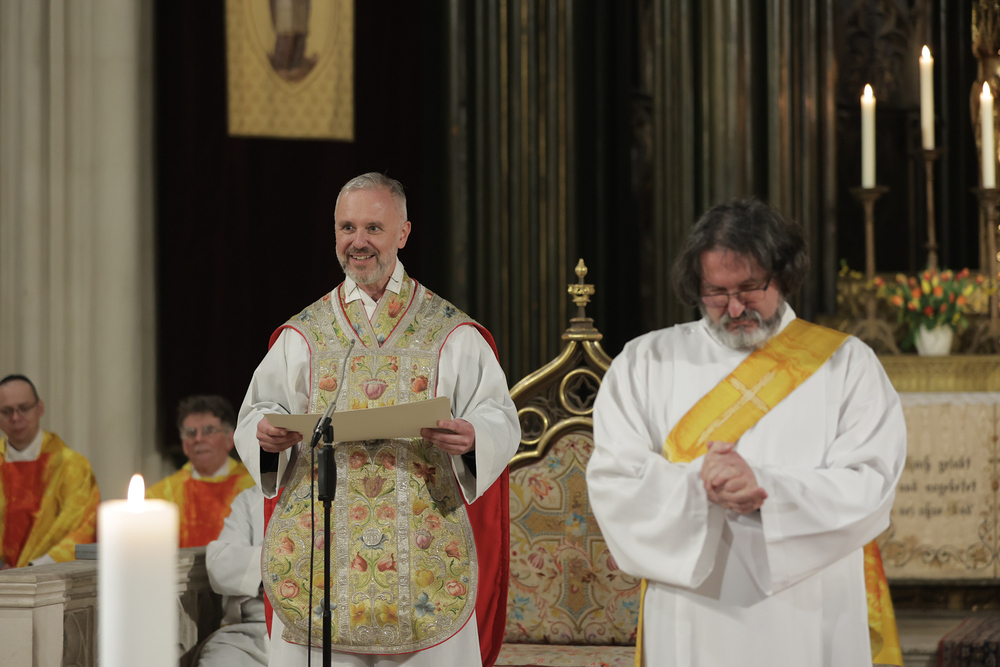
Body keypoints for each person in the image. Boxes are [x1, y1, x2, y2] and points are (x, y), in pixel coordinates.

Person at [586, 200, 907, 667]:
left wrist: (767, 491)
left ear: (783, 276)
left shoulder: (847, 364)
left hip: (812, 608)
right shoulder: (646, 362)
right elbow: (614, 481)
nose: (734, 307)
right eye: (715, 292)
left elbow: (872, 483)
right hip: (691, 611)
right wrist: (700, 486)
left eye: (750, 288)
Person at [235, 172, 520, 667]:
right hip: (320, 557)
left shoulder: (451, 334)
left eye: (373, 228)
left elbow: (499, 416)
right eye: (347, 228)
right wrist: (265, 434)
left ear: (403, 234)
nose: (358, 242)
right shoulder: (304, 336)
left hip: (424, 555)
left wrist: (475, 436)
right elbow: (259, 410)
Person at [0, 374, 100, 568]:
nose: (16, 418)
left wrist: (34, 568)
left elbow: (85, 525)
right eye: (6, 411)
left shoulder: (72, 466)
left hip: (50, 577)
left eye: (24, 408)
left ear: (40, 408)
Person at [147, 395, 255, 548]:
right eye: (191, 433)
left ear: (230, 440)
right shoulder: (160, 497)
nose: (198, 439)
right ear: (184, 444)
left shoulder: (254, 487)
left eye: (209, 431)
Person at [197, 484, 269, 667]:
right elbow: (220, 564)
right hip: (255, 633)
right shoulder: (254, 497)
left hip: (327, 637)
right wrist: (282, 563)